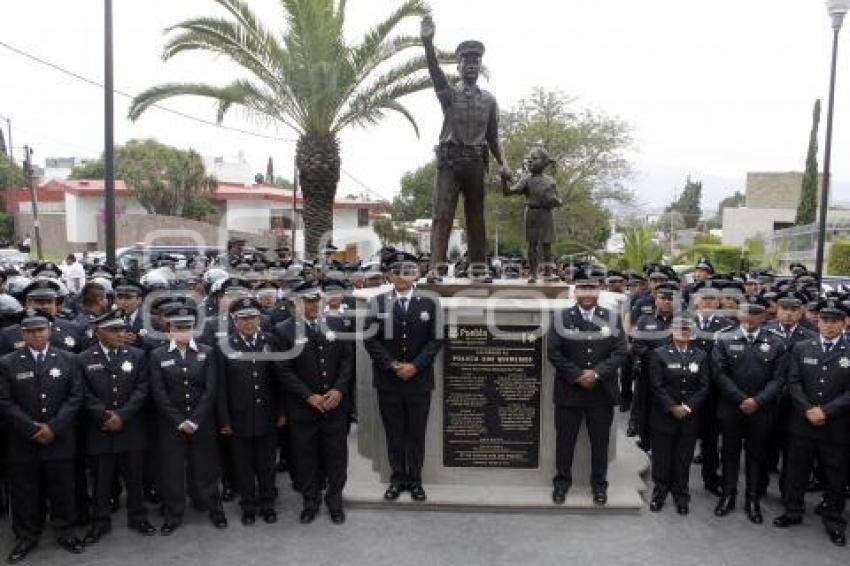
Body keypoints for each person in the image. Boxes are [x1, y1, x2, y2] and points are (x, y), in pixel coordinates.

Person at [420, 14, 512, 275]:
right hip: (450, 161)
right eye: (465, 61)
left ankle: (479, 269)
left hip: (475, 162)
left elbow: (494, 137)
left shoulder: (490, 100)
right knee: (442, 216)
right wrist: (428, 44)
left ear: (479, 65)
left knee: (476, 218)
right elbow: (435, 73)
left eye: (475, 61)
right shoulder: (449, 94)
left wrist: (503, 163)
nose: (471, 65)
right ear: (458, 66)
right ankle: (436, 269)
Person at [0, 308, 85, 563]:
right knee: (25, 491)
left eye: (40, 330)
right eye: (30, 331)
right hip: (24, 440)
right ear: (22, 334)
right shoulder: (7, 362)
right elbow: (4, 401)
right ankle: (26, 536)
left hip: (59, 438)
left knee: (62, 487)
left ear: (49, 331)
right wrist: (31, 428)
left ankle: (65, 532)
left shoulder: (69, 359)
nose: (36, 335)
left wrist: (54, 427)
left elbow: (75, 397)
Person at [364, 252, 443, 502]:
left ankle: (415, 480)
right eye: (395, 271)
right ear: (389, 275)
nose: (401, 276)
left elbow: (437, 338)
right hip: (389, 380)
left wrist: (416, 366)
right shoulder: (376, 302)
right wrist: (394, 365)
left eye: (406, 271)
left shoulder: (430, 302)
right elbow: (370, 339)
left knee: (416, 434)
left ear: (415, 274)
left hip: (419, 381)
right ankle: (397, 479)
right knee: (394, 433)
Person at [774, 298, 850, 547]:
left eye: (834, 321)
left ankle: (834, 521)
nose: (828, 326)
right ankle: (792, 511)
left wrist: (826, 411)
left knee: (835, 476)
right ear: (817, 321)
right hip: (802, 423)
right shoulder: (802, 347)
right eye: (824, 320)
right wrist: (808, 409)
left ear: (844, 324)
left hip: (835, 425)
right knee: (796, 471)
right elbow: (793, 382)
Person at [276, 281, 352, 525]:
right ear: (294, 304)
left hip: (334, 405)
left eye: (316, 301)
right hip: (303, 407)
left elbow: (347, 360)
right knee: (305, 456)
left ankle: (335, 500)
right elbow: (283, 370)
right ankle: (310, 501)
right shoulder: (283, 330)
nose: (313, 305)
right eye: (307, 301)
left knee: (336, 455)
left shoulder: (337, 324)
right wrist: (309, 396)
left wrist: (339, 390)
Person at [148, 303, 227, 535]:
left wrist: (194, 420)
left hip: (201, 422)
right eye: (178, 327)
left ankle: (214, 508)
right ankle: (174, 513)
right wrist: (179, 421)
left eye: (188, 327)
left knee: (207, 468)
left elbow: (210, 389)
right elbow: (158, 392)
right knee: (172, 472)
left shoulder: (206, 351)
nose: (183, 331)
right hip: (171, 425)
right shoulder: (157, 355)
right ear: (169, 328)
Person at [547, 274, 627, 505]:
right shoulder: (561, 318)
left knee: (599, 443)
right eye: (582, 289)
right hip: (569, 391)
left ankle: (599, 486)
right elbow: (553, 351)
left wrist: (597, 373)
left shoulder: (611, 318)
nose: (587, 294)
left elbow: (620, 351)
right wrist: (577, 375)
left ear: (598, 291)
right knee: (565, 442)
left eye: (592, 288)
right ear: (575, 292)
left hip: (601, 393)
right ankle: (562, 483)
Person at [79, 309, 156, 544]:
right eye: (113, 330)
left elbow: (142, 389)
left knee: (135, 477)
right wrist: (104, 416)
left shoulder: (137, 355)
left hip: (130, 426)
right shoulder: (83, 358)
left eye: (121, 329)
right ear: (98, 332)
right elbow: (83, 393)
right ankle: (100, 522)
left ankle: (138, 517)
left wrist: (122, 415)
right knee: (102, 481)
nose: (119, 333)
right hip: (99, 428)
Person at [712, 297, 785, 523]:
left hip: (761, 410)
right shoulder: (724, 338)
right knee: (730, 454)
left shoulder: (776, 342)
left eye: (755, 313)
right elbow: (719, 373)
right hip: (731, 408)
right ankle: (728, 495)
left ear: (763, 316)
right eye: (746, 312)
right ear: (740, 315)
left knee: (756, 457)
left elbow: (779, 378)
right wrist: (741, 399)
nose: (750, 317)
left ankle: (752, 500)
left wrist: (758, 401)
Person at [216, 297, 283, 526]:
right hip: (239, 417)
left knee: (266, 464)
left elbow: (279, 382)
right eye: (243, 319)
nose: (248, 323)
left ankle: (267, 504)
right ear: (235, 322)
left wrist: (281, 411)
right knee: (242, 466)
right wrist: (224, 420)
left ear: (259, 319)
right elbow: (221, 388)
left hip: (267, 414)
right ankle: (248, 505)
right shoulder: (225, 346)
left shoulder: (270, 342)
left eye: (252, 317)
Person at [648, 316, 709, 515]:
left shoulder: (700, 355)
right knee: (662, 457)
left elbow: (704, 386)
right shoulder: (659, 354)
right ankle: (660, 493)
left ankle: (681, 495)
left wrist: (688, 407)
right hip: (664, 415)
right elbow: (656, 386)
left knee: (684, 458)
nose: (683, 332)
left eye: (687, 329)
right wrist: (672, 407)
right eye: (679, 329)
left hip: (689, 417)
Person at [503, 146, 562, 282]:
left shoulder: (550, 181)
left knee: (547, 244)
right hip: (531, 212)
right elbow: (508, 192)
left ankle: (548, 272)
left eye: (534, 159)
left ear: (544, 162)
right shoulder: (526, 179)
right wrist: (503, 179)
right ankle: (533, 274)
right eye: (529, 159)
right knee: (532, 244)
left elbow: (559, 201)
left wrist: (553, 200)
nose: (530, 161)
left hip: (546, 213)